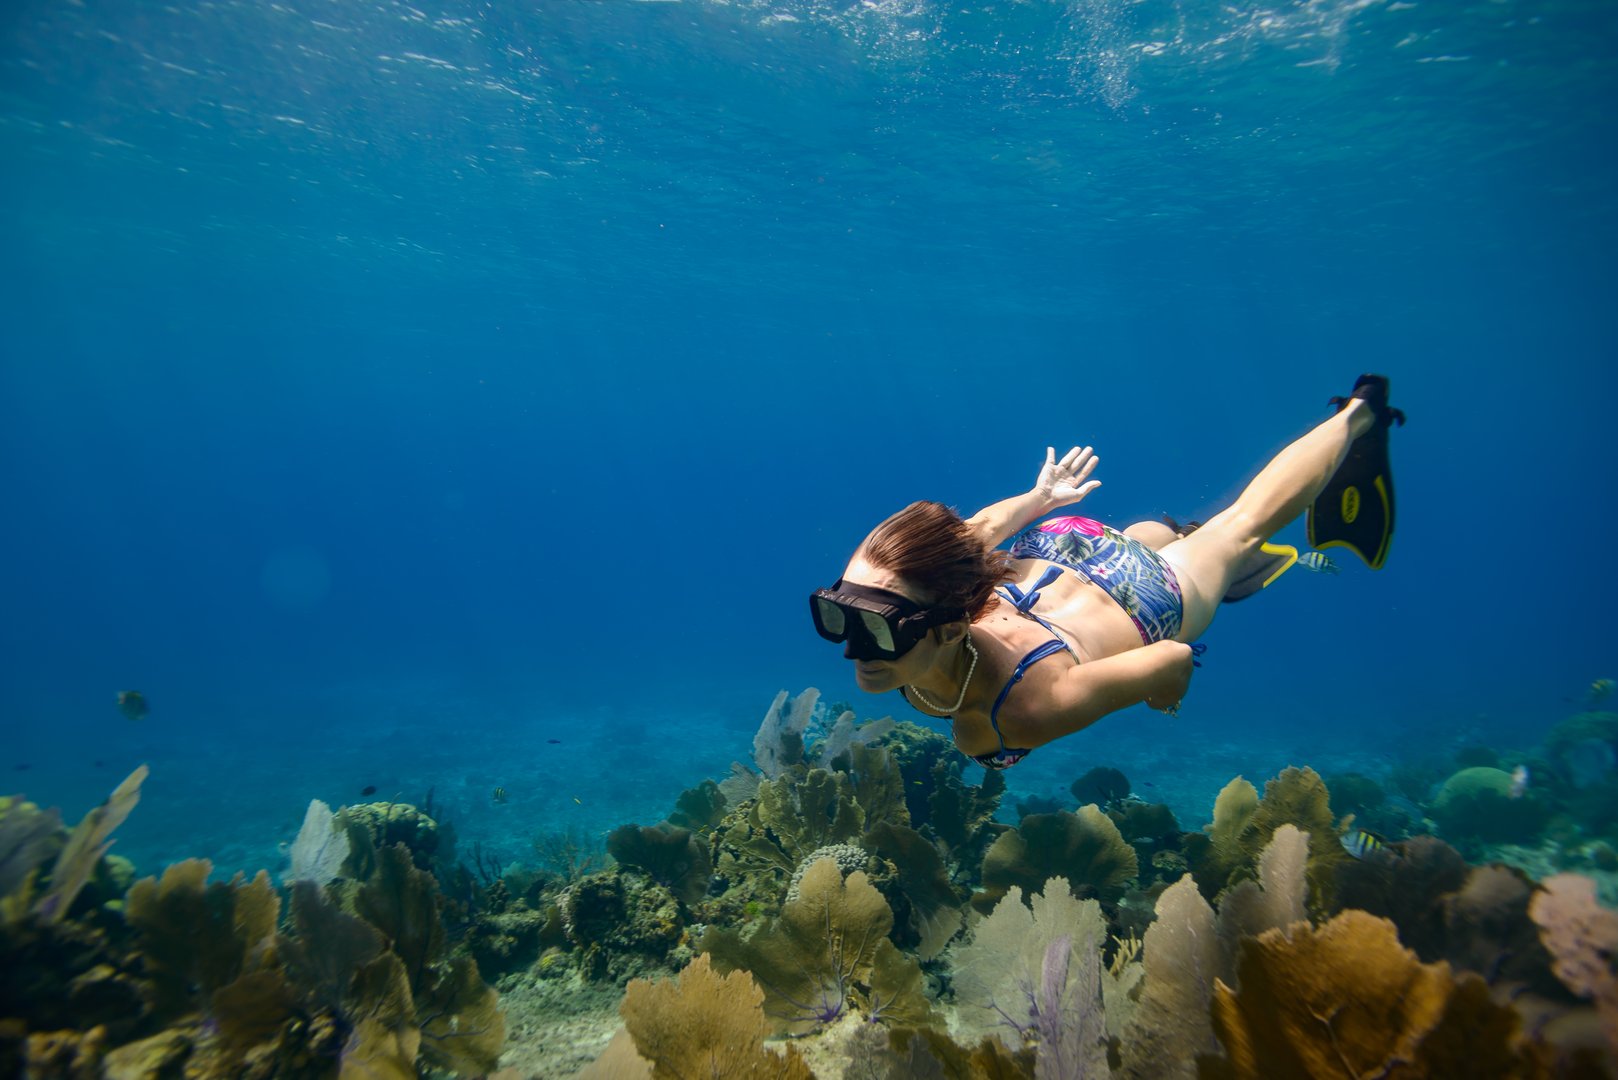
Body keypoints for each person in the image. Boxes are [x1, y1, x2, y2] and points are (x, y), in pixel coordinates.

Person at [809, 374, 1405, 770]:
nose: (853, 649)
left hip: (1148, 600)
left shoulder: (1017, 714)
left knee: (1242, 526)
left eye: (880, 626)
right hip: (1064, 547)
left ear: (948, 627)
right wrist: (1041, 498)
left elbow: (1168, 660)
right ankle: (1172, 536)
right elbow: (980, 530)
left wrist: (1164, 695)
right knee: (1150, 536)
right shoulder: (947, 579)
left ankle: (1360, 413)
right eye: (840, 615)